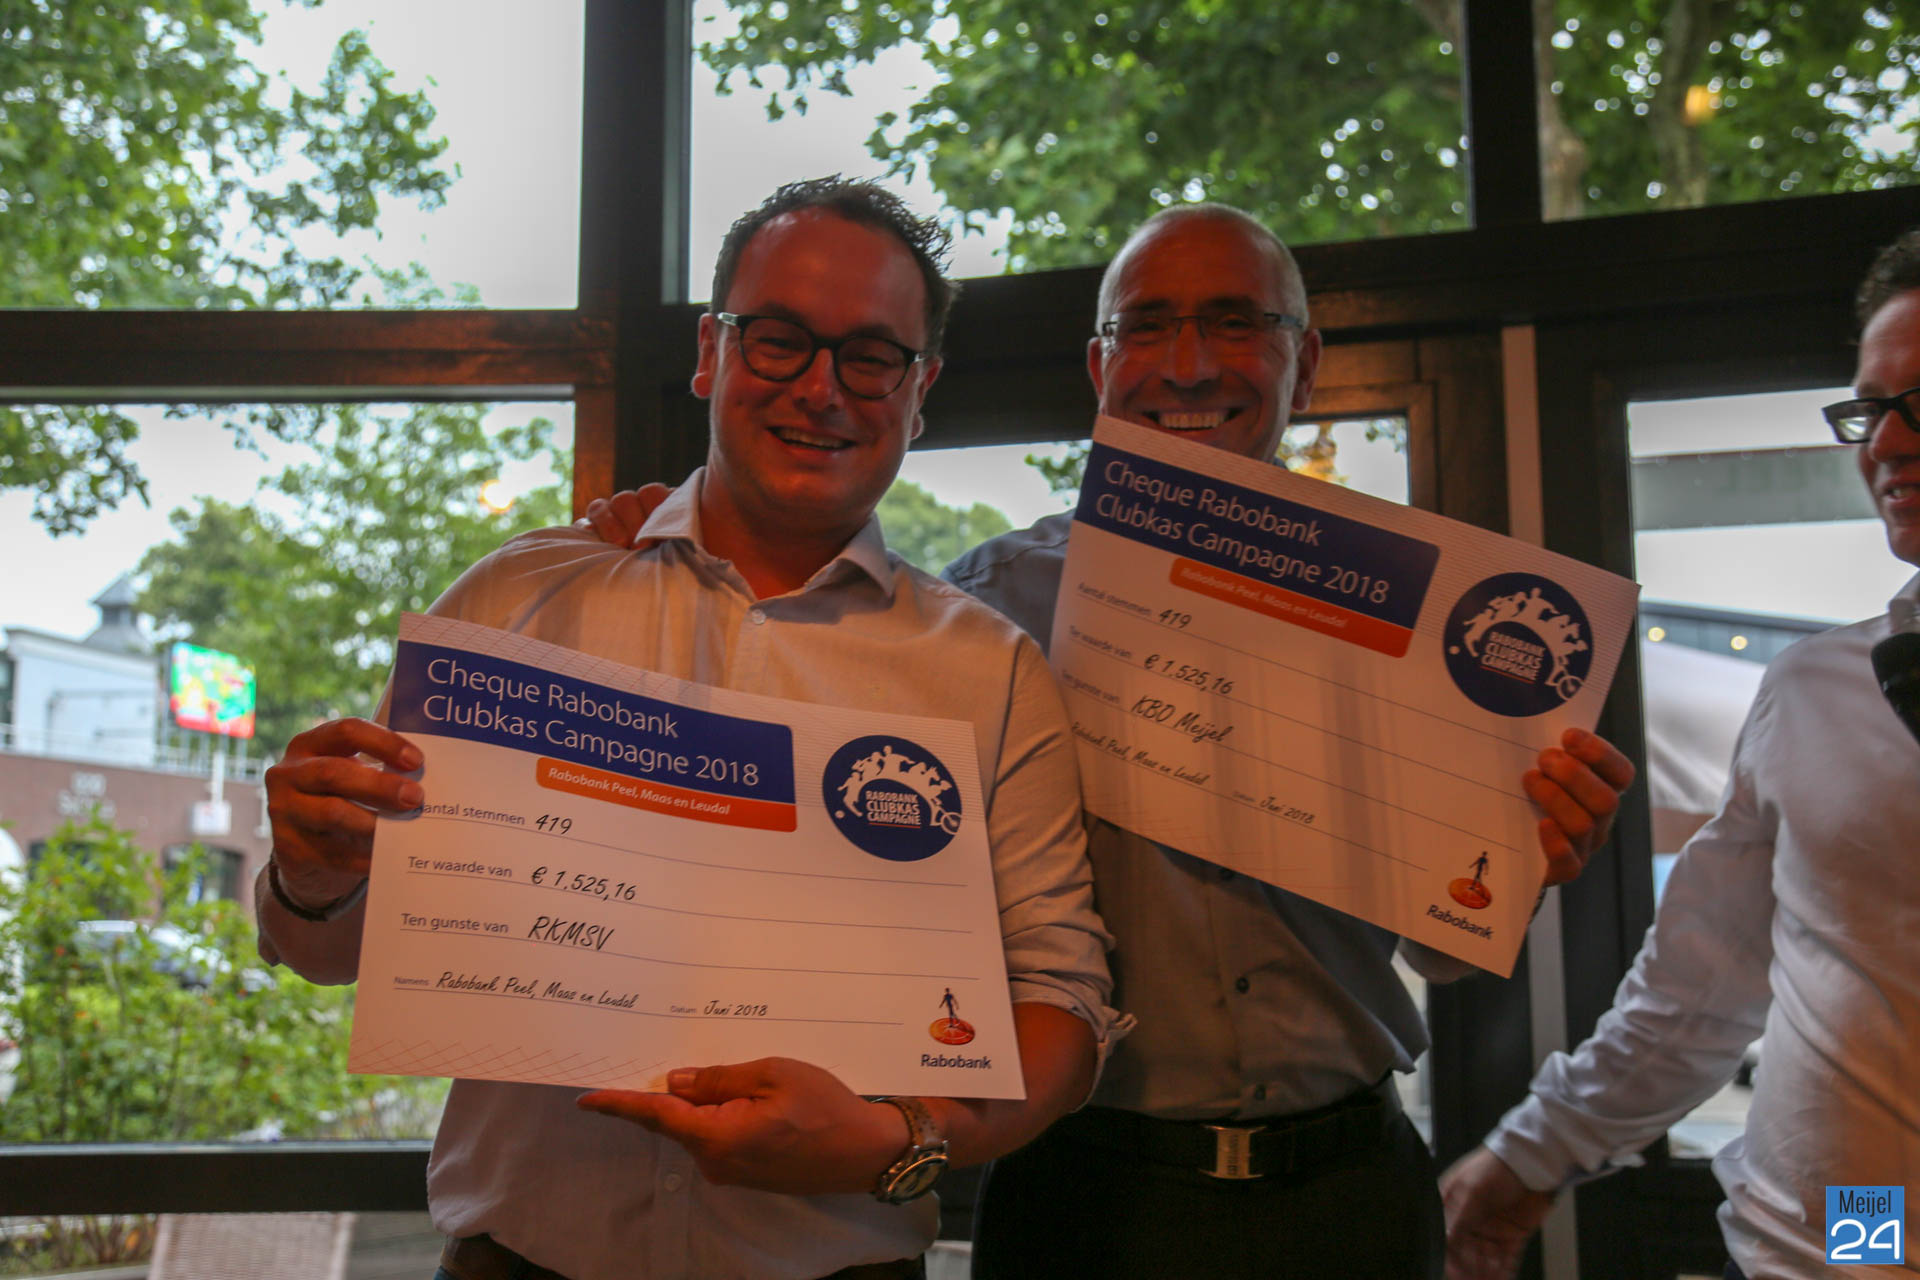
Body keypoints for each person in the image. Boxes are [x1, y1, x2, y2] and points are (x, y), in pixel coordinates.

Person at [582, 203, 1634, 1277]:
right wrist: (663, 537)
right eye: (1147, 326)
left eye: (1235, 322)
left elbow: (1444, 951)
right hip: (1083, 1190)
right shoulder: (980, 615)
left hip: (1349, 1190)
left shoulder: (1419, 625)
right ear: (1100, 366)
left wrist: (1527, 854)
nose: (1188, 364)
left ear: (1305, 364)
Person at [255, 178, 1119, 1280]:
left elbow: (1061, 998)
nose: (821, 388)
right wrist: (314, 873)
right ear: (712, 352)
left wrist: (896, 1138)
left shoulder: (989, 669)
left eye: (870, 356)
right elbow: (333, 952)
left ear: (920, 392)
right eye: (779, 339)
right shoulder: (518, 601)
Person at [1439, 228, 1920, 1280]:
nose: (1888, 441)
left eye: (1919, 402)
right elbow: (1702, 981)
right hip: (1839, 1238)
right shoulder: (1815, 690)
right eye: (1871, 409)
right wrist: (1528, 1155)